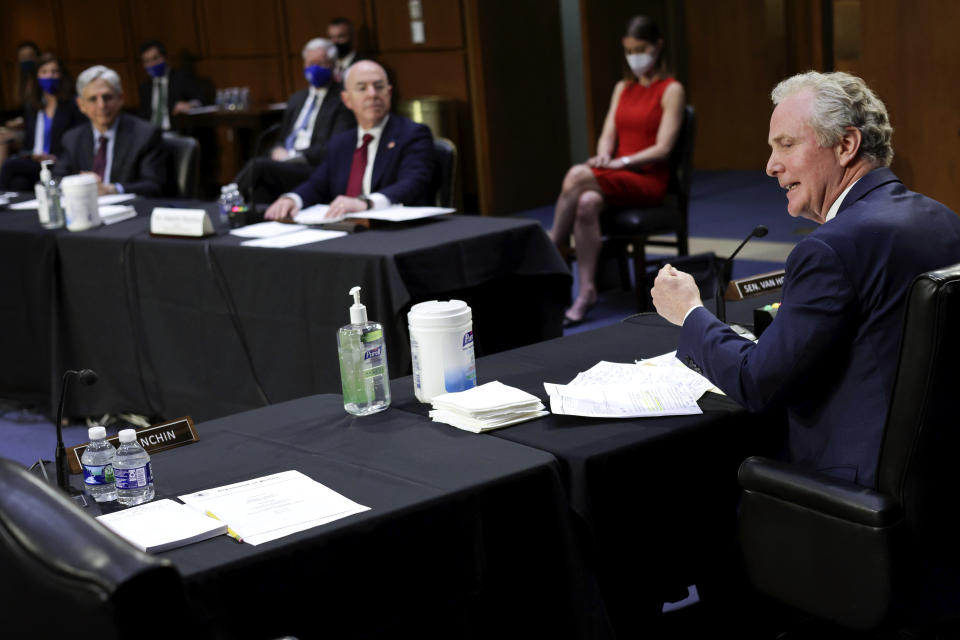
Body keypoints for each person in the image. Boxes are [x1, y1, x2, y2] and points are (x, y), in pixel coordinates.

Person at [651, 71, 960, 489]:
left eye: (787, 144)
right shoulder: (945, 220)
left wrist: (689, 313)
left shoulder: (830, 249)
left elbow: (757, 383)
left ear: (846, 145)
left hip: (853, 483)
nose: (770, 166)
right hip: (940, 473)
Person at [550, 15, 685, 326]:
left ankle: (553, 248)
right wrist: (601, 156)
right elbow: (609, 134)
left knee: (575, 175)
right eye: (628, 50)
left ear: (657, 46)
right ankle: (586, 292)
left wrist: (620, 163)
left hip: (647, 180)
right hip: (616, 176)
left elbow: (663, 148)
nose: (634, 56)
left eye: (641, 48)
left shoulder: (671, 89)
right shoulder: (622, 87)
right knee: (585, 203)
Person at [264, 60, 434, 221]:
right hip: (345, 229)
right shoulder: (341, 143)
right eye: (362, 88)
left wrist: (366, 203)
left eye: (379, 87)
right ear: (347, 100)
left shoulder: (412, 134)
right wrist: (293, 199)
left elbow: (412, 183)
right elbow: (317, 184)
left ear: (389, 93)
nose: (372, 94)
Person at [234, 37, 354, 205]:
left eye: (321, 63)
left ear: (334, 65)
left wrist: (293, 156)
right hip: (284, 165)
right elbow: (282, 139)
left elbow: (335, 146)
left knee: (258, 166)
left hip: (313, 167)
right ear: (304, 65)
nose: (315, 68)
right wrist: (277, 150)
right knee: (260, 189)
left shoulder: (342, 100)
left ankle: (225, 200)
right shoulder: (296, 99)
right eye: (311, 63)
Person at [54, 65, 166, 197]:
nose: (101, 106)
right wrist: (80, 183)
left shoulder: (146, 135)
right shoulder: (72, 138)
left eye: (107, 97)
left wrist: (113, 190)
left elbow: (154, 186)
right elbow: (57, 179)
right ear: (81, 105)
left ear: (121, 99)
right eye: (93, 99)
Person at [0, 53, 86, 191]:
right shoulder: (33, 107)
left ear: (61, 75)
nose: (49, 76)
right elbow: (28, 143)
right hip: (34, 162)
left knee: (9, 165)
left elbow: (78, 139)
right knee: (18, 183)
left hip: (58, 162)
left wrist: (55, 156)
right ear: (37, 76)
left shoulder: (72, 105)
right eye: (44, 72)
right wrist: (30, 154)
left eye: (54, 72)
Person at [137, 40, 205, 131]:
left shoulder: (180, 78)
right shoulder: (145, 87)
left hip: (175, 132)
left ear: (165, 57)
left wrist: (190, 104)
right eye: (147, 61)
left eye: (155, 58)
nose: (152, 64)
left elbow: (201, 98)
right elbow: (143, 115)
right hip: (151, 134)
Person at [328, 17, 362, 83]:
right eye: (331, 37)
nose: (335, 41)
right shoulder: (327, 65)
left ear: (352, 37)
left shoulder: (363, 63)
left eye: (340, 37)